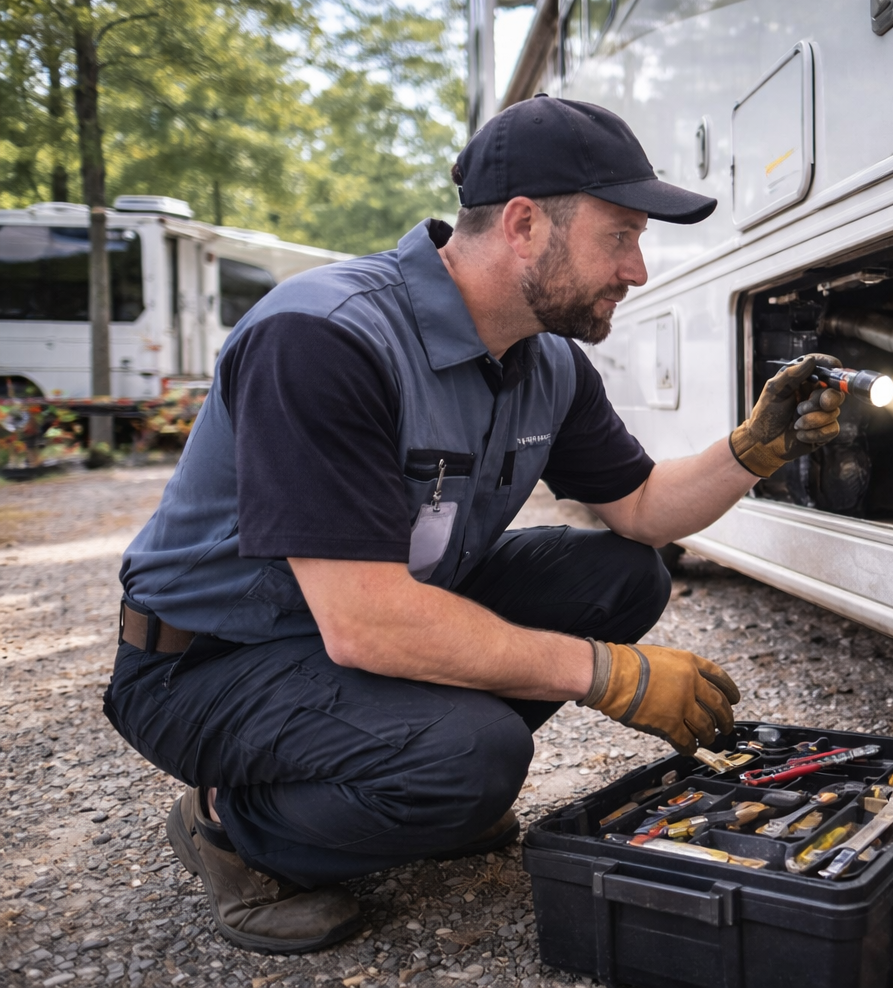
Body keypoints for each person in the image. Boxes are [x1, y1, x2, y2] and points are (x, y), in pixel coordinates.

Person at [103, 95, 846, 955]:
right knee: (472, 760)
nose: (637, 270)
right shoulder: (323, 337)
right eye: (620, 237)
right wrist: (608, 674)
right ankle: (233, 827)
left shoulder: (547, 361)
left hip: (354, 629)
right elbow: (366, 621)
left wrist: (752, 451)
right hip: (207, 664)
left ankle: (411, 779)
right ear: (524, 225)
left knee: (622, 575)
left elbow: (643, 507)